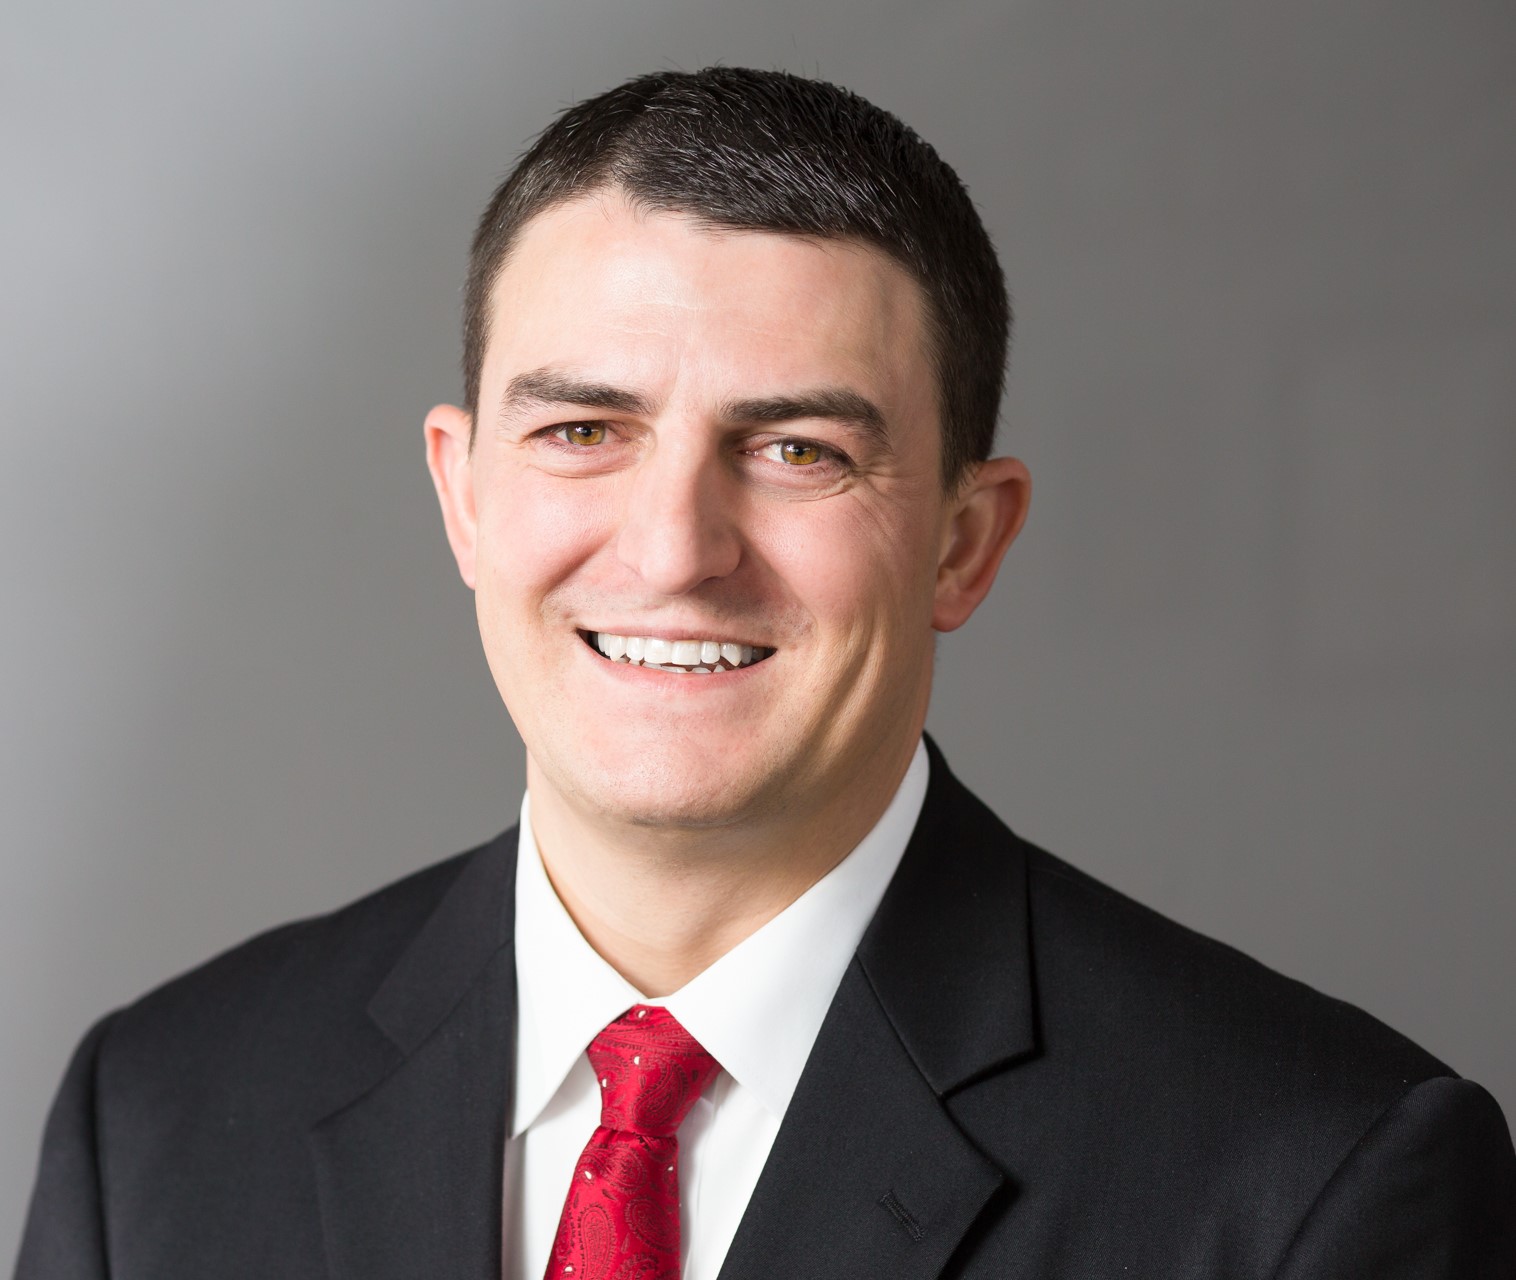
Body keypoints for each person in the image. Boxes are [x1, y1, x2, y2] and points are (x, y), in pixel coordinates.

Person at [15, 66, 1515, 1280]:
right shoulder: (155, 1118)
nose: (674, 549)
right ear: (463, 495)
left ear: (964, 543)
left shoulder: (1312, 1181)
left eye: (797, 450)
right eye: (581, 430)